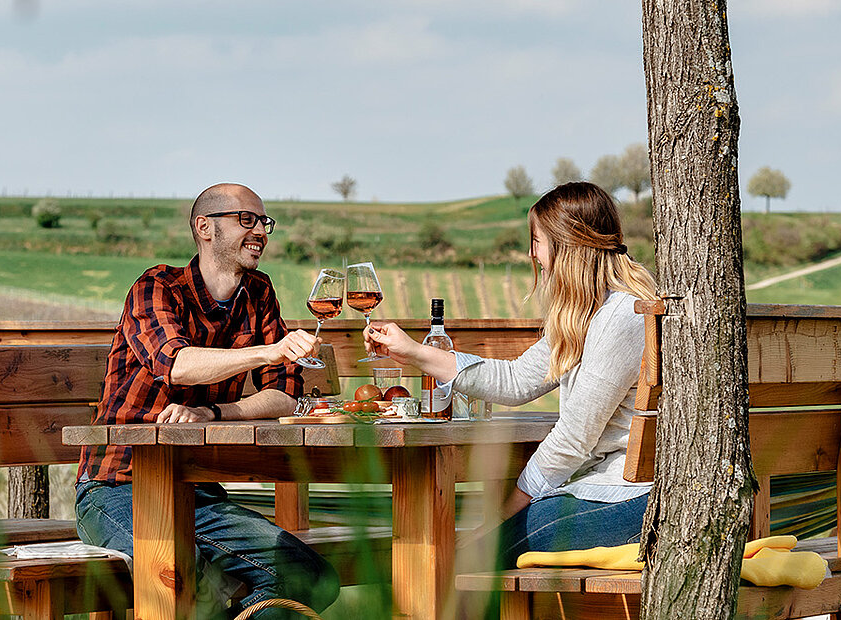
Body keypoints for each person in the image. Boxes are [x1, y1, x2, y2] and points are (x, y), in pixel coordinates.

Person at [75, 182, 338, 618]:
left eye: (264, 222)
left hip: (199, 491)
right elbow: (176, 364)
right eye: (246, 220)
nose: (261, 232)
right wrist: (267, 351)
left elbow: (287, 395)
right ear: (205, 227)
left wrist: (213, 413)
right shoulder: (157, 286)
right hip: (116, 487)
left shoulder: (258, 293)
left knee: (313, 578)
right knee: (182, 574)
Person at [363, 181, 657, 568]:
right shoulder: (590, 313)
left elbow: (573, 440)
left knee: (472, 557)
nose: (533, 254)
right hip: (606, 491)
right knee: (469, 552)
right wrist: (415, 352)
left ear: (566, 244)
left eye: (537, 241)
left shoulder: (621, 317)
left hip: (635, 502)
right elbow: (516, 380)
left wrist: (504, 512)